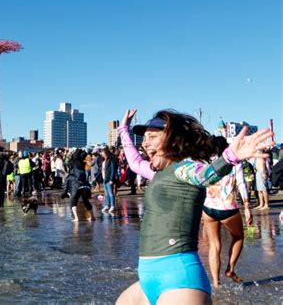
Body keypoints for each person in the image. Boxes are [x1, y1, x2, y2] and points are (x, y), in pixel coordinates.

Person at [116, 109, 273, 305]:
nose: (145, 143)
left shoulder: (185, 168)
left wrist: (231, 156)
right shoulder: (159, 173)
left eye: (152, 137)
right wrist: (124, 130)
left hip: (179, 281)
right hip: (149, 278)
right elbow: (134, 161)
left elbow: (207, 174)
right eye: (144, 137)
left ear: (173, 140)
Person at [202, 136, 252, 288]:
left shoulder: (205, 162)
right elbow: (242, 184)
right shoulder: (234, 161)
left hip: (208, 208)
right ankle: (230, 269)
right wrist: (247, 207)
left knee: (214, 245)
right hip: (227, 208)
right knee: (238, 236)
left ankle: (216, 283)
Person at [61, 149, 94, 222]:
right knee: (86, 201)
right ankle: (91, 216)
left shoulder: (70, 174)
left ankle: (76, 218)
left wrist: (63, 195)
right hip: (85, 186)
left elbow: (65, 188)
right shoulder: (82, 166)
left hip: (76, 188)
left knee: (73, 201)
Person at [100, 146, 116, 213]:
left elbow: (112, 170)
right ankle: (107, 205)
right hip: (104, 179)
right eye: (102, 153)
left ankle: (112, 206)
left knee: (110, 193)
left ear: (106, 153)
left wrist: (111, 179)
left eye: (103, 153)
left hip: (109, 179)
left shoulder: (110, 160)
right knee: (106, 194)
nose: (102, 154)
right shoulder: (104, 160)